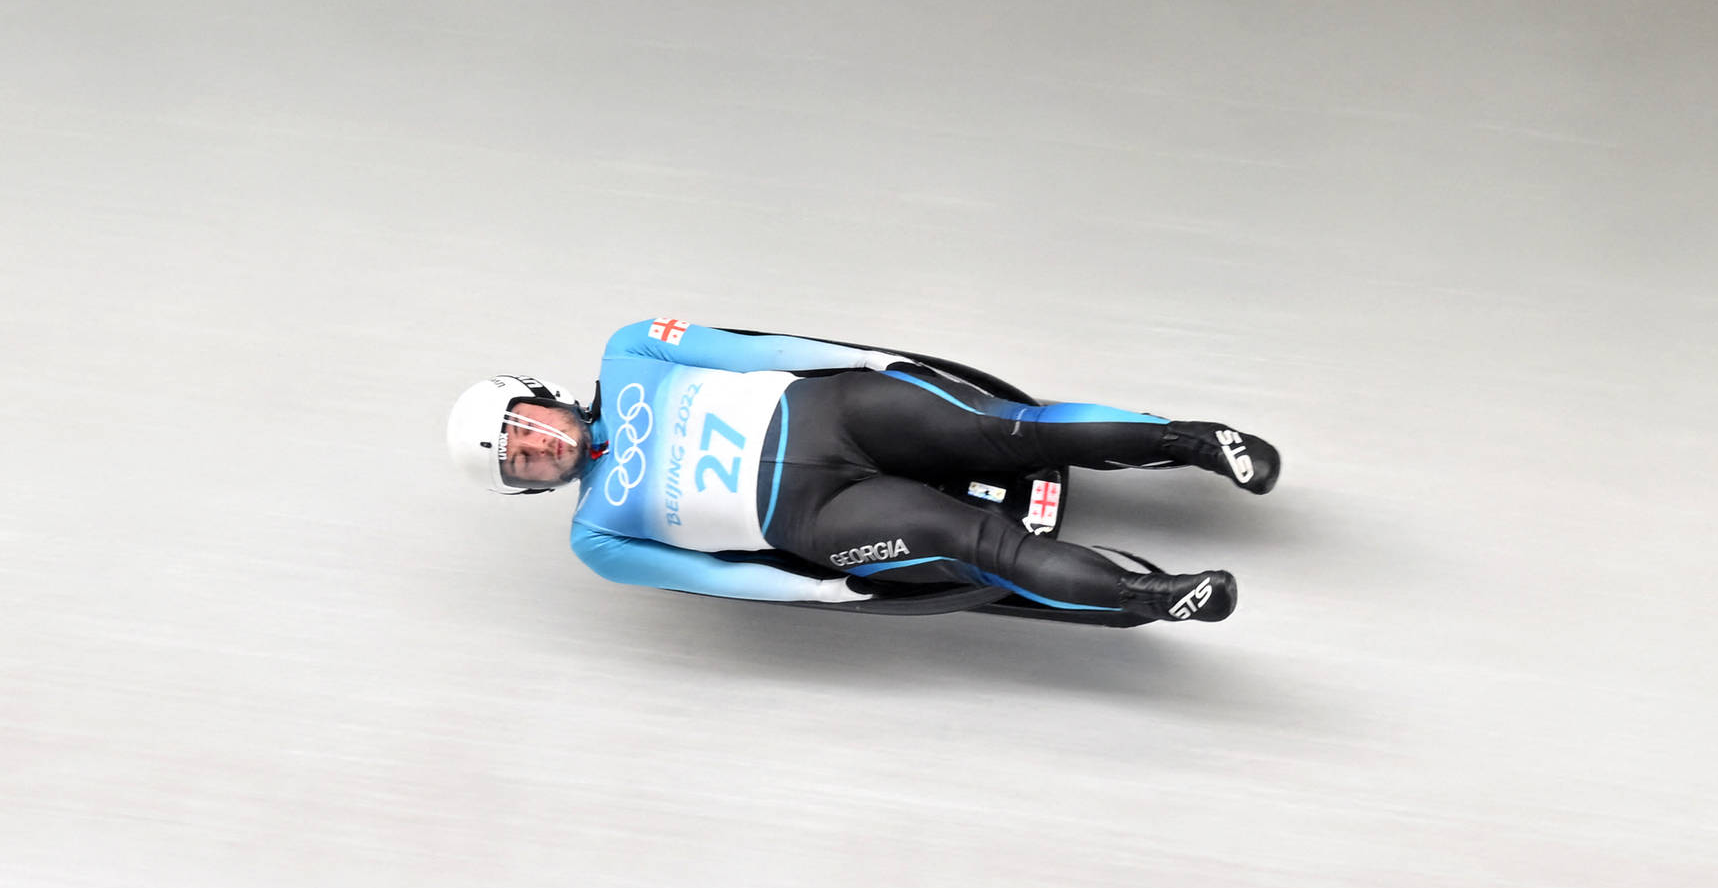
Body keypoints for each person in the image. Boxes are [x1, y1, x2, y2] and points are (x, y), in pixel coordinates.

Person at [446, 321, 1278, 623]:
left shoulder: (632, 350)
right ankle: (1158, 597)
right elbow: (714, 580)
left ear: (544, 398)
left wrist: (868, 359)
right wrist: (817, 593)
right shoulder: (596, 538)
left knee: (1007, 429)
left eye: (526, 427)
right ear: (528, 486)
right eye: (520, 461)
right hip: (819, 513)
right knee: (979, 546)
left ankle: (1201, 442)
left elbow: (755, 350)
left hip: (837, 411)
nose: (538, 447)